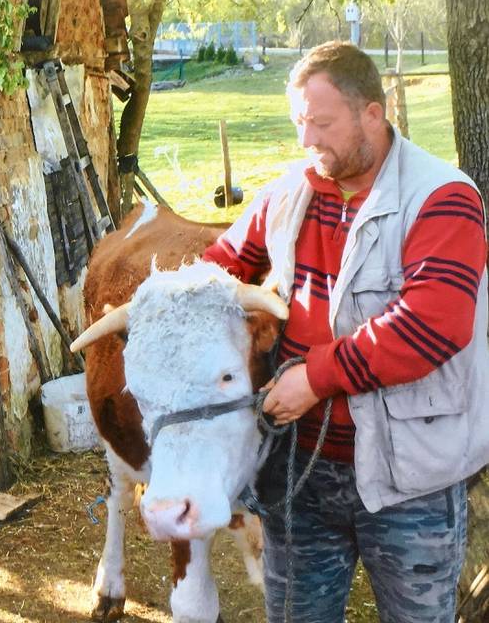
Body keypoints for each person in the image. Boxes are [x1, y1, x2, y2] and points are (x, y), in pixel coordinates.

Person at [203, 41, 488, 622]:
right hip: (299, 472)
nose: (307, 140)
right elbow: (218, 267)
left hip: (410, 482)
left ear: (372, 115)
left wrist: (316, 377)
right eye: (300, 123)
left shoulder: (442, 196)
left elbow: (433, 322)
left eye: (322, 123)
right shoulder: (288, 194)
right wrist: (166, 307)